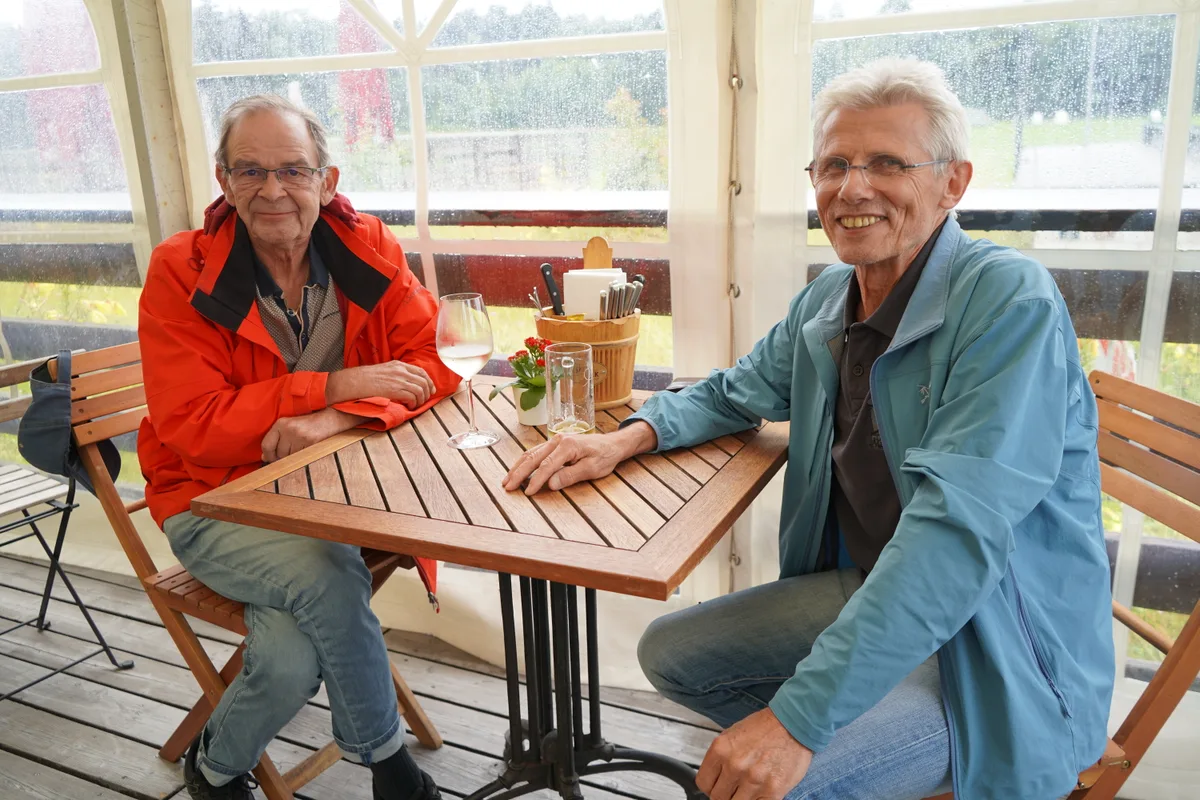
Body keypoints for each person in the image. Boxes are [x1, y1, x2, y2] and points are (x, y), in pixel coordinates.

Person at [502, 59, 1114, 800]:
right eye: (832, 165)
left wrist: (798, 720)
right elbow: (739, 390)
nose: (851, 188)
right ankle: (864, 748)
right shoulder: (830, 297)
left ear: (954, 184)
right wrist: (625, 437)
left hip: (994, 650)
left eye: (887, 163)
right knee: (671, 652)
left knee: (785, 780)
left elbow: (955, 537)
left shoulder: (1008, 301)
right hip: (873, 591)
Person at [138, 95, 460, 800]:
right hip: (211, 500)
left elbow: (433, 366)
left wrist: (339, 418)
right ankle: (391, 770)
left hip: (332, 489)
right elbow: (193, 423)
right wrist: (330, 387)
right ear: (223, 181)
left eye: (293, 170)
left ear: (328, 180)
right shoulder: (179, 272)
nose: (272, 190)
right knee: (327, 564)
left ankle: (215, 768)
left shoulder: (367, 247)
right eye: (249, 170)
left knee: (286, 656)